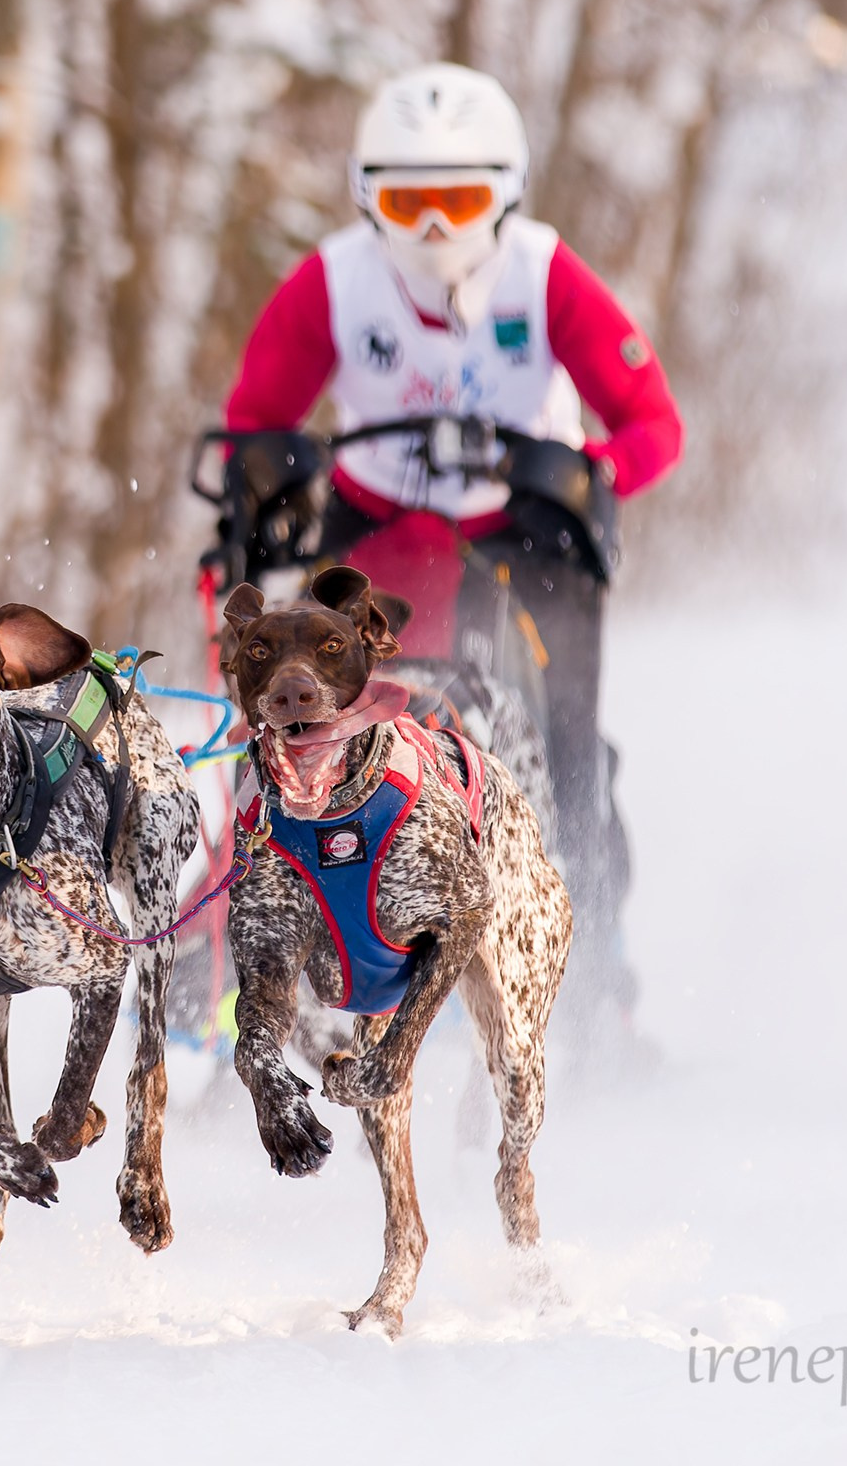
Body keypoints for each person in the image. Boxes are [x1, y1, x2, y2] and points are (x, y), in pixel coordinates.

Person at [218, 63, 682, 1057]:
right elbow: (253, 424)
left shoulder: (546, 274)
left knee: (567, 754)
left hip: (525, 533)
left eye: (460, 201)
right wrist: (268, 481)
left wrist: (585, 470)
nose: (434, 228)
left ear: (505, 196)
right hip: (374, 530)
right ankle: (244, 981)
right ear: (366, 202)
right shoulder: (332, 282)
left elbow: (655, 426)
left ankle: (597, 992)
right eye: (407, 202)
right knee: (289, 730)